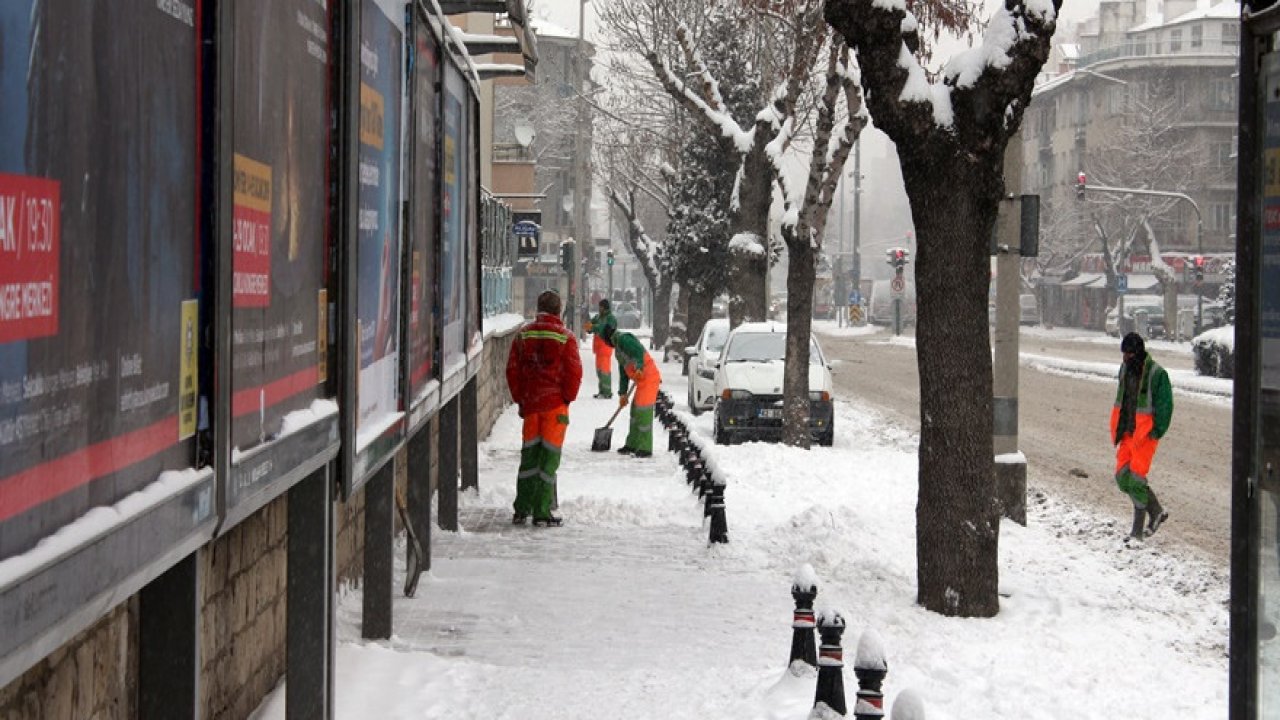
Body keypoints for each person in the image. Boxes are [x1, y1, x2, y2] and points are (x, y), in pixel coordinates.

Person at [506, 290, 583, 527]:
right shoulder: (565, 338)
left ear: (537, 308)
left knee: (529, 457)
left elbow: (512, 370)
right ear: (558, 310)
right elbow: (574, 373)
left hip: (531, 406)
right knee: (548, 460)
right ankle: (542, 511)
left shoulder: (523, 335)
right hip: (554, 407)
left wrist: (522, 399)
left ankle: (522, 508)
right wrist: (567, 398)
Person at [1110, 332, 1174, 540]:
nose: (1125, 359)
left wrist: (1156, 431)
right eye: (1123, 354)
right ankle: (1156, 511)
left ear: (1137, 352)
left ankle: (1137, 532)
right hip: (1128, 434)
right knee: (1122, 477)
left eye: (1128, 354)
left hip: (1145, 436)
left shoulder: (1157, 374)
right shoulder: (1125, 370)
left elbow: (1166, 405)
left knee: (1136, 480)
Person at [599, 325, 661, 458]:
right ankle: (632, 444)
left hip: (649, 377)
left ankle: (645, 448)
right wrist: (622, 393)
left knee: (643, 412)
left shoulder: (624, 339)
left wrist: (639, 367)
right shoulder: (618, 350)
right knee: (634, 411)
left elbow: (638, 352)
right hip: (641, 380)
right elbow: (624, 373)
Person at [583, 298, 618, 399]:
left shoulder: (610, 318)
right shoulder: (598, 317)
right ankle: (602, 391)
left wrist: (592, 327)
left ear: (604, 307)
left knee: (604, 370)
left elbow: (603, 328)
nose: (599, 309)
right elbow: (591, 324)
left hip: (606, 347)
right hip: (598, 348)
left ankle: (607, 392)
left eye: (601, 307)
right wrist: (589, 326)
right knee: (599, 371)